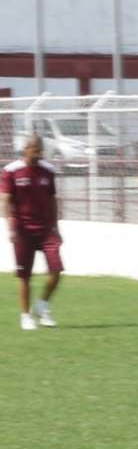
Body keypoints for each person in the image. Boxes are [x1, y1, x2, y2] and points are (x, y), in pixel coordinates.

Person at [8, 132, 62, 329]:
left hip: (46, 229)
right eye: (35, 150)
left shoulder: (48, 171)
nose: (39, 154)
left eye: (41, 150)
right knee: (25, 275)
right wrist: (11, 227)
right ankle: (25, 316)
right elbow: (5, 199)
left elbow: (53, 199)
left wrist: (55, 227)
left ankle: (41, 306)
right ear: (26, 150)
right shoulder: (12, 171)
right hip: (23, 230)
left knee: (56, 271)